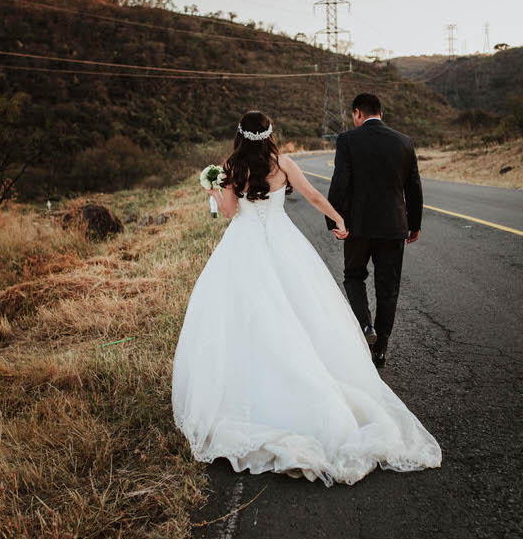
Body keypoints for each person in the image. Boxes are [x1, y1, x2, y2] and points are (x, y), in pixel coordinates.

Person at [171, 110, 441, 486]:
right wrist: (338, 219)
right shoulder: (283, 163)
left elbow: (231, 212)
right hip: (285, 244)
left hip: (243, 247)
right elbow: (313, 195)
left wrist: (213, 191)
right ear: (269, 134)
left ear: (239, 136)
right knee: (303, 313)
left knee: (244, 316)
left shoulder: (232, 166)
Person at [326, 93, 423, 368]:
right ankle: (380, 348)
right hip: (394, 227)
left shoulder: (347, 140)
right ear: (381, 113)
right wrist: (414, 225)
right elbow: (413, 188)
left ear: (357, 113)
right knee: (388, 286)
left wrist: (335, 220)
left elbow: (340, 181)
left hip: (357, 226)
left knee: (353, 276)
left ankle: (365, 326)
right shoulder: (404, 141)